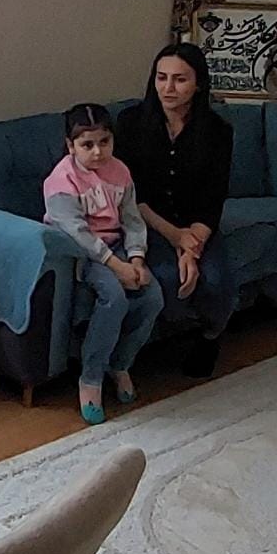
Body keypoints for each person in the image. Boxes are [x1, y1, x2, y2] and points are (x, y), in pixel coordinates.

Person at [116, 44, 235, 379]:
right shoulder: (130, 123)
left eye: (180, 80)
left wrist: (191, 247)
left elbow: (213, 197)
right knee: (170, 280)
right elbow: (132, 194)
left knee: (217, 282)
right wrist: (175, 237)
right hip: (149, 221)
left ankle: (210, 337)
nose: (168, 88)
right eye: (161, 77)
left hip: (198, 225)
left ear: (198, 84)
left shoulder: (218, 131)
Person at [43, 103, 164, 425]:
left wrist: (136, 258)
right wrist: (116, 266)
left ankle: (120, 363)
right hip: (82, 252)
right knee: (114, 297)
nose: (97, 152)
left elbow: (132, 219)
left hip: (117, 244)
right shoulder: (60, 181)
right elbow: (77, 233)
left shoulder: (120, 172)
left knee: (153, 296)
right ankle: (91, 377)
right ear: (71, 146)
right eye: (87, 145)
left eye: (104, 142)